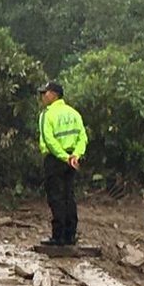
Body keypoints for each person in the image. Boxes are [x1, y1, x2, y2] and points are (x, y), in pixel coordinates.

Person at [37, 81, 87, 246]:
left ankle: (58, 237)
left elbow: (49, 140)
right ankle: (70, 235)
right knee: (69, 196)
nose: (42, 97)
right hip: (72, 160)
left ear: (54, 94)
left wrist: (63, 157)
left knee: (56, 198)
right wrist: (75, 156)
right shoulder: (74, 113)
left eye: (45, 93)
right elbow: (83, 137)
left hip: (55, 160)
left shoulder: (47, 114)